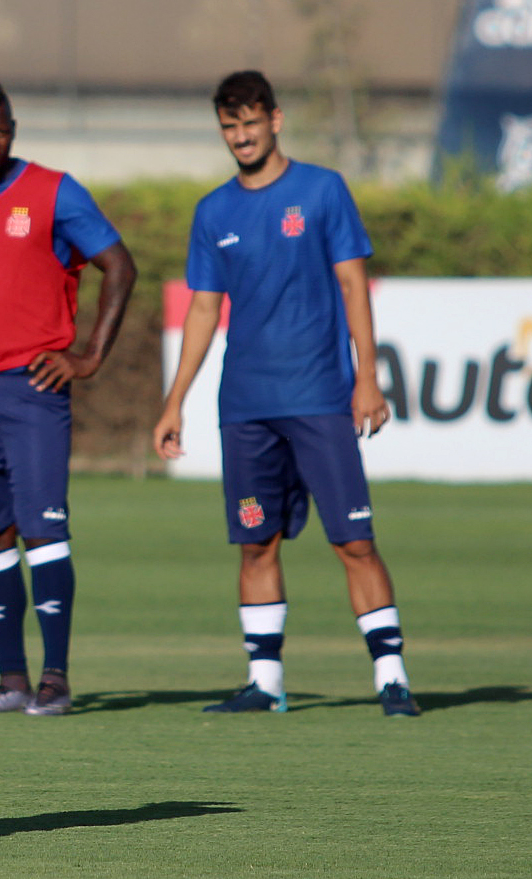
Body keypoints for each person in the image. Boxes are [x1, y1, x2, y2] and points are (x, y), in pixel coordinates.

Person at [152, 70, 419, 717]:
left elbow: (353, 285)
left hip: (320, 398)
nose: (241, 136)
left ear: (274, 120)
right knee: (255, 543)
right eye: (230, 126)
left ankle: (392, 678)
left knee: (353, 541)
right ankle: (265, 684)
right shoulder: (213, 211)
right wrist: (174, 400)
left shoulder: (322, 191)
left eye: (250, 123)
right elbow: (203, 309)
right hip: (245, 407)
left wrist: (367, 377)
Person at [0, 74, 136, 716]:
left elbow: (120, 266)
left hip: (33, 391)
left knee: (43, 531)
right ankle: (11, 679)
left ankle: (55, 678)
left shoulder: (53, 191)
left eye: (1, 130)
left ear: (13, 129)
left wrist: (89, 356)